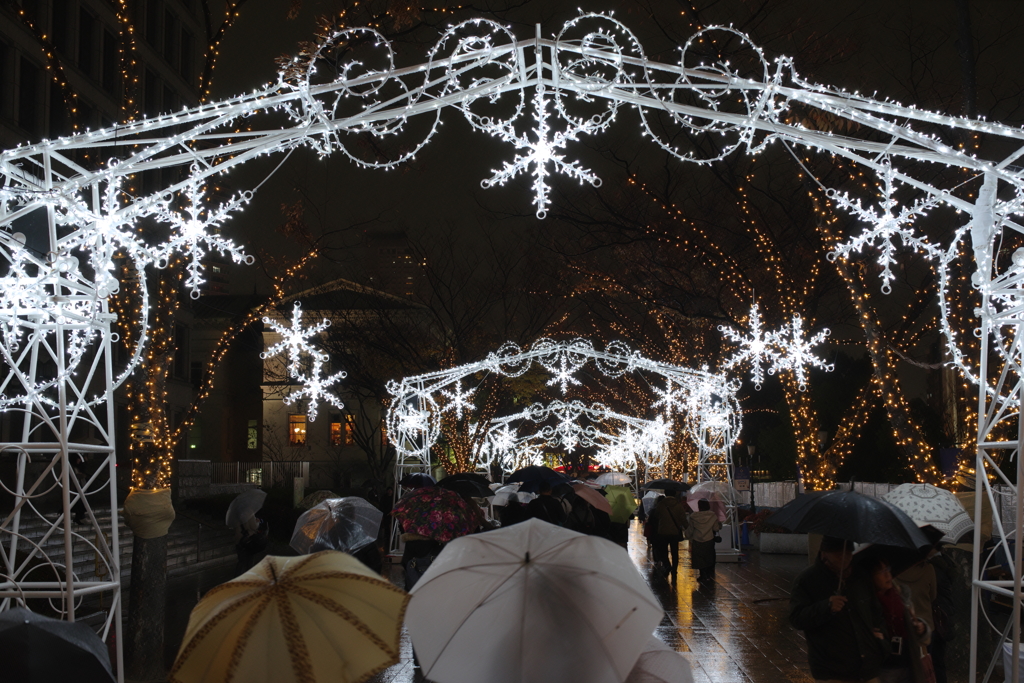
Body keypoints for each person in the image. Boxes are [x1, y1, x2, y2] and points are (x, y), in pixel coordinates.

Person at [789, 536, 887, 683]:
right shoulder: (808, 580)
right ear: (824, 553)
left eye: (847, 553)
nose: (844, 558)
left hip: (867, 668)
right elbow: (797, 618)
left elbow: (876, 611)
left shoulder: (861, 576)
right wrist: (826, 607)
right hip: (832, 670)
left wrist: (878, 633)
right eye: (838, 553)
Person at [872, 559, 931, 683]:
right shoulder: (868, 604)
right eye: (881, 571)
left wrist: (919, 627)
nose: (887, 575)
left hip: (908, 662)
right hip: (884, 668)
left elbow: (909, 624)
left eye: (887, 569)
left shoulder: (898, 594)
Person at [651, 492, 688, 580]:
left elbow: (656, 515)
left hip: (663, 531)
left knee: (663, 551)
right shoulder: (678, 505)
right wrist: (688, 527)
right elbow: (683, 518)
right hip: (675, 532)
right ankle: (674, 569)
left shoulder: (661, 504)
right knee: (675, 552)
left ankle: (667, 565)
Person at [686, 499, 722, 582]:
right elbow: (716, 528)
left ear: (699, 506)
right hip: (709, 539)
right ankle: (708, 574)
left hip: (697, 539)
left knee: (699, 558)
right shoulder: (712, 515)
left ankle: (702, 574)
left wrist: (686, 535)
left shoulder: (693, 516)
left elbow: (690, 529)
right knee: (708, 557)